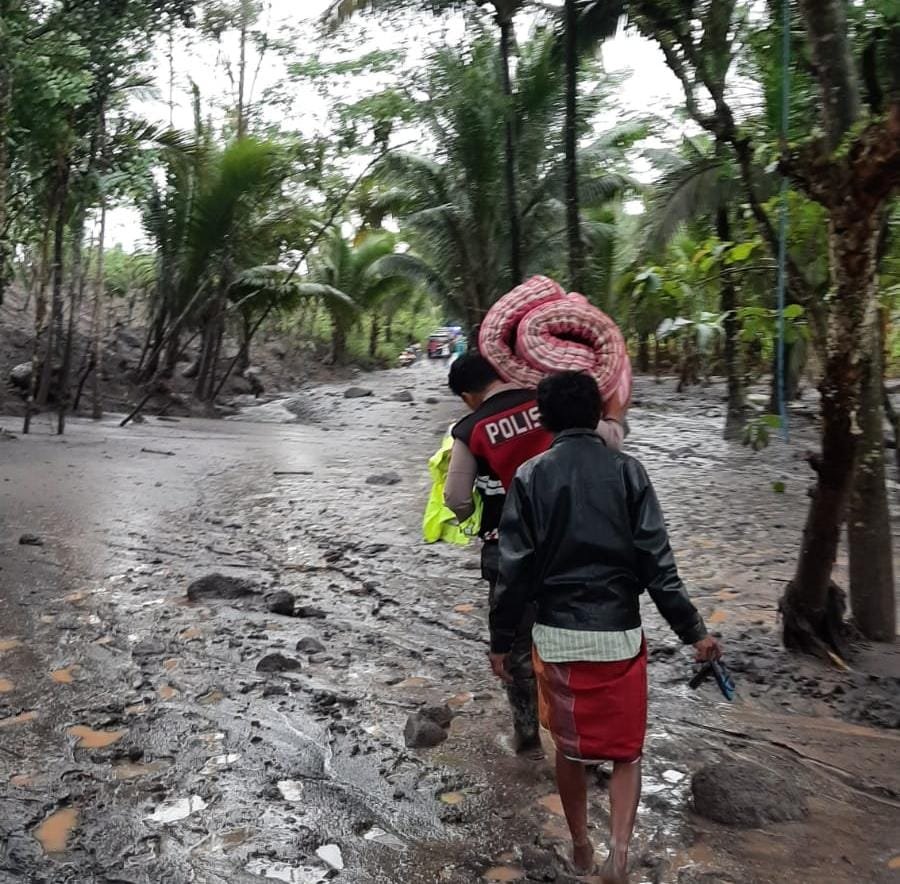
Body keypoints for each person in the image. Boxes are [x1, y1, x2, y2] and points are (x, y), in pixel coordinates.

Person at [489, 371, 721, 882]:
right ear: (598, 415)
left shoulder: (529, 477)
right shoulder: (629, 472)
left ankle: (580, 846)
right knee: (625, 752)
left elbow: (514, 572)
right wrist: (694, 631)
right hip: (619, 636)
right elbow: (659, 567)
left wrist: (501, 641)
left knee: (570, 752)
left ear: (543, 419)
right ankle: (619, 853)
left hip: (557, 637)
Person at [444, 353, 624, 756]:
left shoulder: (470, 428)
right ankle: (587, 743)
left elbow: (456, 499)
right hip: (576, 543)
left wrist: (471, 512)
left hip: (508, 549)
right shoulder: (550, 402)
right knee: (580, 643)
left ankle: (526, 736)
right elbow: (610, 441)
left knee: (515, 648)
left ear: (468, 395)